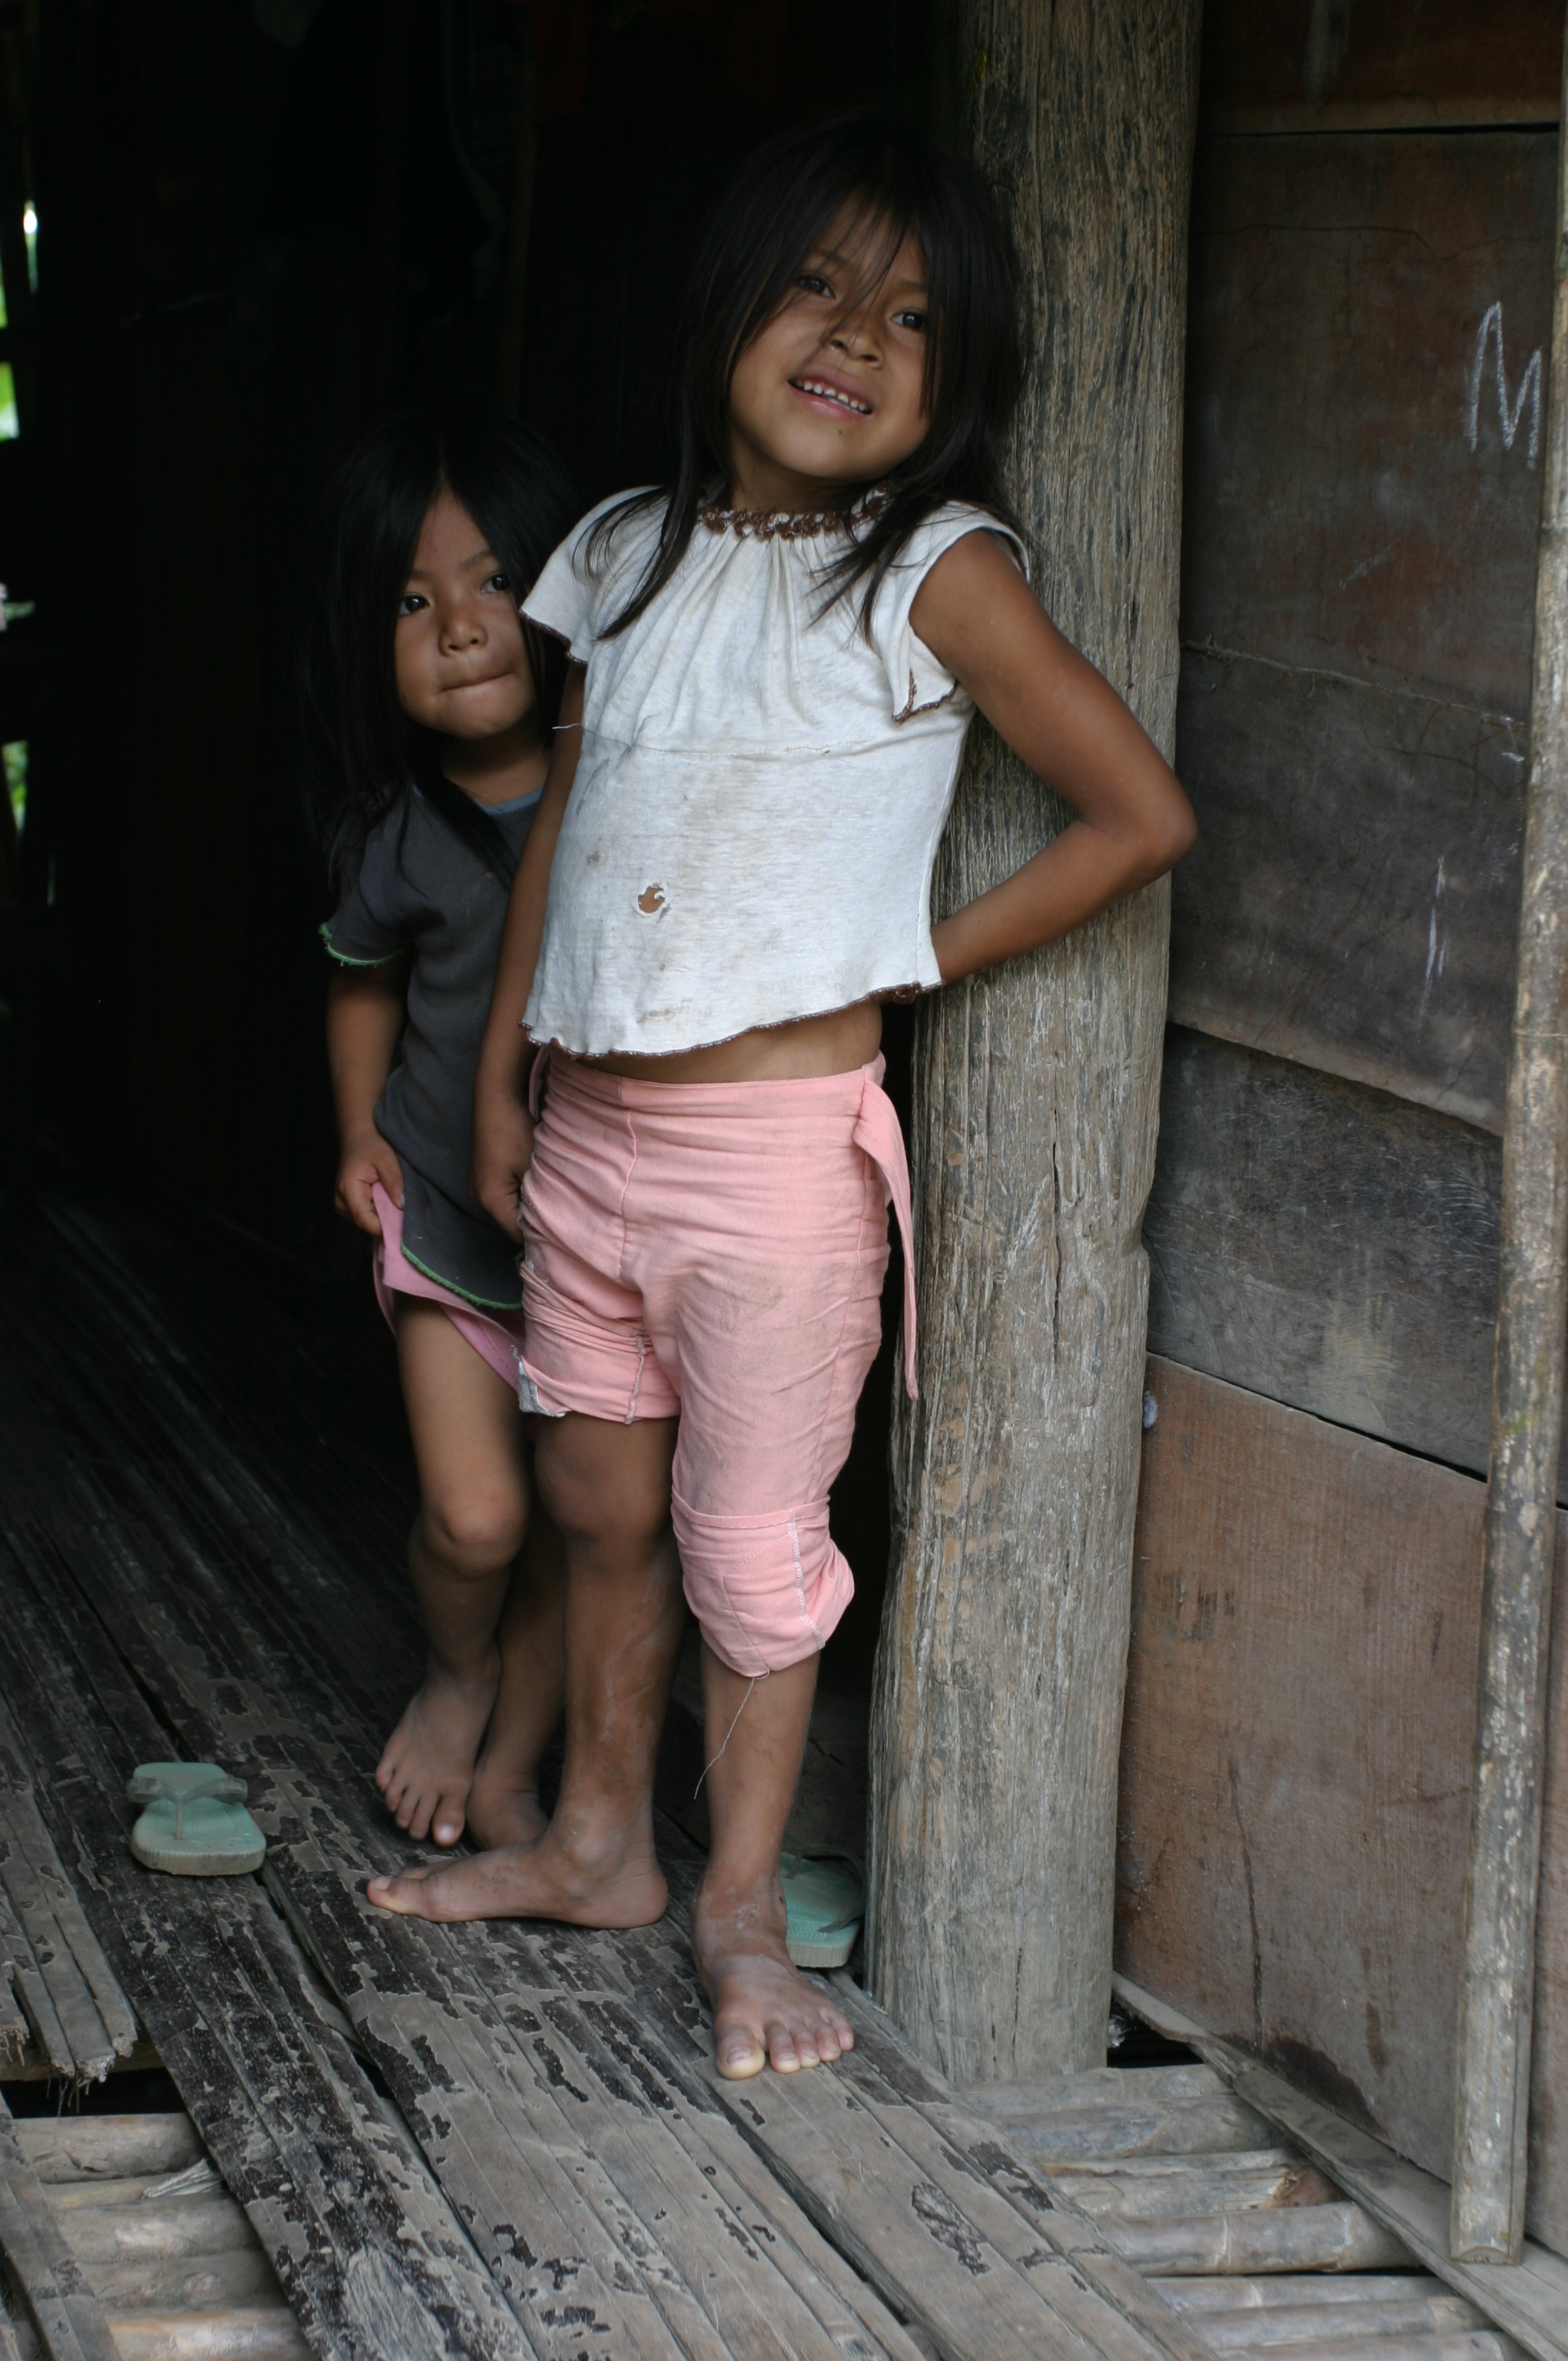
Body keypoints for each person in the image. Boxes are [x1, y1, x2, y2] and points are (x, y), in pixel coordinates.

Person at [366, 118, 1196, 2082]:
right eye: (815, 284)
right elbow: (574, 818)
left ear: (957, 375)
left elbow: (1136, 815)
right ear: (726, 300)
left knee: (750, 1545)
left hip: (768, 1169)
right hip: (586, 1140)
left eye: (910, 313)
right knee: (591, 1500)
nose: (853, 334)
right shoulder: (624, 553)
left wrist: (912, 967)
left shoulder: (934, 571)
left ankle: (735, 1904)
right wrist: (502, 1071)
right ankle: (593, 1843)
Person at [302, 404, 581, 1858]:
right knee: (479, 1522)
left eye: (493, 582)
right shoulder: (399, 832)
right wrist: (359, 1132)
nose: (462, 626)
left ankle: (517, 1758)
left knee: (575, 1523)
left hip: (602, 1241)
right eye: (414, 601)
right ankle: (458, 1671)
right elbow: (363, 981)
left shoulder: (632, 797)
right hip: (452, 1235)